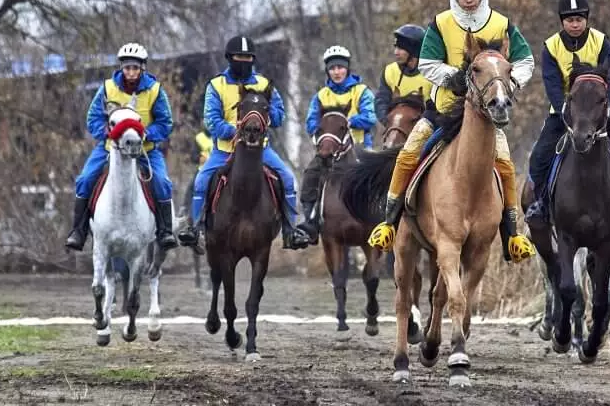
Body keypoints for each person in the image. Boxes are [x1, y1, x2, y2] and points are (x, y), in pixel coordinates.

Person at [367, 0, 537, 263]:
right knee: (408, 153)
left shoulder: (501, 22)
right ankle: (389, 223)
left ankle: (512, 235)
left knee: (506, 166)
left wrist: (505, 83)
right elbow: (427, 63)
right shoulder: (441, 23)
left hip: (485, 117)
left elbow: (525, 60)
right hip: (444, 110)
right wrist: (455, 78)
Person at [178, 36, 310, 251]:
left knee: (287, 178)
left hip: (260, 150)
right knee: (202, 180)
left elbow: (278, 116)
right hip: (225, 150)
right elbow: (211, 119)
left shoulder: (265, 84)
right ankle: (196, 229)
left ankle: (290, 231)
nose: (244, 61)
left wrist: (264, 118)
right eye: (239, 57)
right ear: (230, 59)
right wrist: (234, 131)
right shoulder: (216, 85)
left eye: (248, 58)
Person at [525, 0, 610, 227]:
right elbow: (552, 84)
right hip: (564, 112)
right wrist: (565, 111)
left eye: (579, 19)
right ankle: (541, 203)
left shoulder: (601, 42)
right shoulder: (551, 47)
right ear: (562, 21)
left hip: (599, 110)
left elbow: (609, 77)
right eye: (570, 20)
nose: (575, 24)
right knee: (539, 157)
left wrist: (607, 106)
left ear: (586, 19)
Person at [65, 43, 178, 252]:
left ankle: (165, 232)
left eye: (135, 68)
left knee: (162, 182)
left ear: (142, 68)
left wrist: (145, 135)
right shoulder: (107, 88)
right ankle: (78, 231)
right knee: (85, 179)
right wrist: (107, 133)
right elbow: (93, 118)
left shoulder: (155, 90)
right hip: (110, 146)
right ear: (121, 68)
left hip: (145, 149)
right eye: (127, 68)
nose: (131, 72)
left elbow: (165, 123)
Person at [297, 45, 377, 243]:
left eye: (340, 67)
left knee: (379, 178)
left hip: (359, 148)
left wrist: (350, 122)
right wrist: (321, 137)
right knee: (311, 174)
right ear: (328, 71)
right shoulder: (321, 96)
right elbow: (311, 123)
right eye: (332, 68)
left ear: (347, 68)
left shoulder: (362, 91)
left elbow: (371, 117)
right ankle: (311, 222)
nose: (337, 72)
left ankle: (383, 221)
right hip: (330, 151)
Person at [374, 25, 432, 119]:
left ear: (414, 51)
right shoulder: (389, 71)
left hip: (427, 127)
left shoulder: (432, 73)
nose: (396, 52)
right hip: (397, 127)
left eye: (401, 48)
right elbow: (381, 102)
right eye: (396, 47)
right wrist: (388, 121)